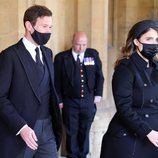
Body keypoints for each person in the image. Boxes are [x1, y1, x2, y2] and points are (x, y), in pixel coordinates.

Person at [0, 5, 62, 158]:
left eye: (51, 27)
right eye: (44, 26)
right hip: (20, 133)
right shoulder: (9, 56)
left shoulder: (48, 53)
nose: (49, 31)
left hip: (47, 130)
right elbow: (0, 97)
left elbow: (48, 86)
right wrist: (22, 128)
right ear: (29, 26)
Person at [100, 19, 158, 158]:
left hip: (154, 138)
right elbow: (124, 107)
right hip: (130, 138)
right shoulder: (125, 68)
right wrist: (148, 131)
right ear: (137, 42)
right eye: (149, 39)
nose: (154, 44)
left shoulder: (155, 67)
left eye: (156, 39)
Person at [54, 31, 104, 158]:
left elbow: (99, 76)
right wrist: (59, 100)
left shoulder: (92, 54)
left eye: (84, 45)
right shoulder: (61, 58)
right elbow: (56, 81)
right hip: (69, 101)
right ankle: (72, 155)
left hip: (88, 100)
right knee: (71, 131)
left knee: (85, 129)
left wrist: (98, 94)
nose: (81, 48)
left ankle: (83, 155)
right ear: (72, 42)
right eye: (78, 44)